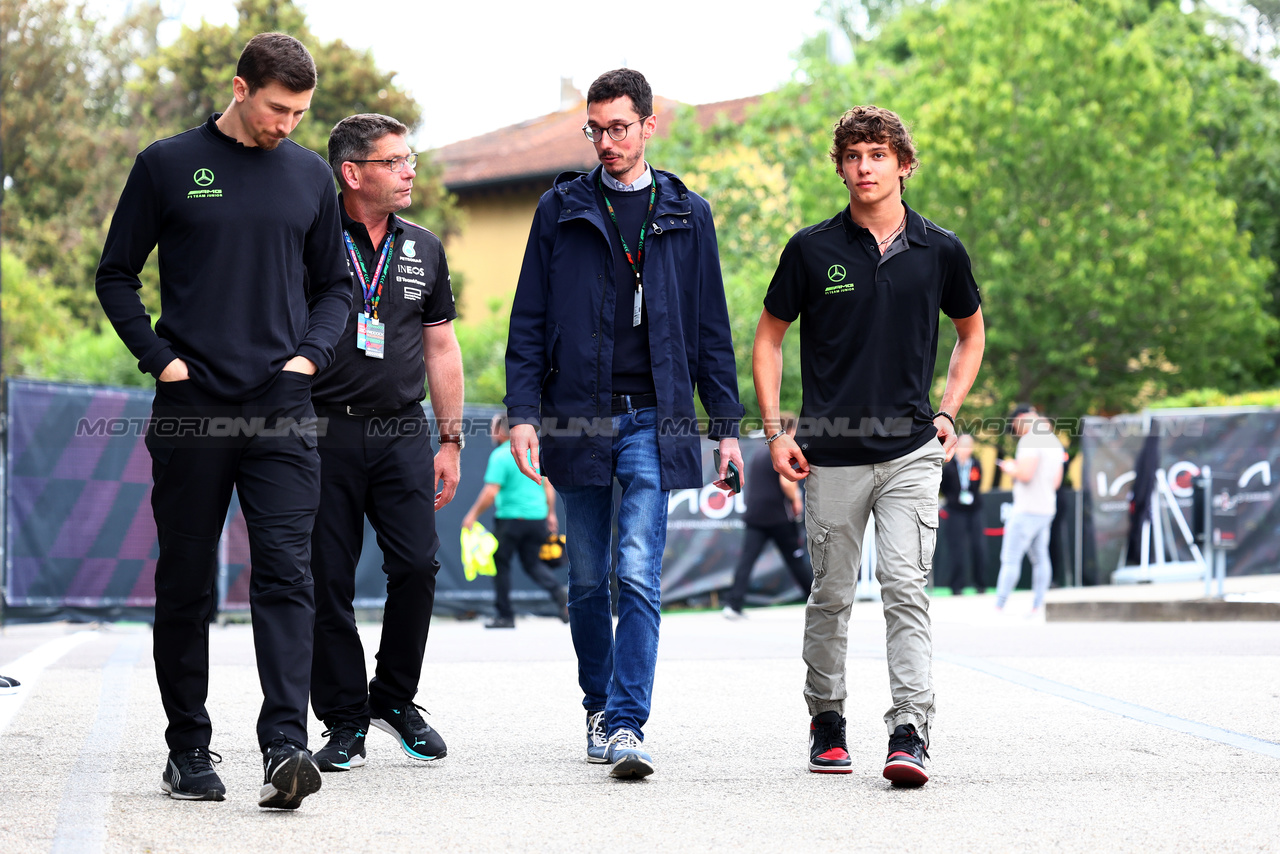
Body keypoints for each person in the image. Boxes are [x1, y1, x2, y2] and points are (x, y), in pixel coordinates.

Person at [95, 33, 351, 808]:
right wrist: (161, 361)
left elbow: (335, 287)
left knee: (285, 575)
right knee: (185, 584)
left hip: (282, 409)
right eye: (279, 109)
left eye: (302, 112)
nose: (289, 125)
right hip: (192, 405)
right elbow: (115, 275)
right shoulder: (167, 164)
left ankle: (284, 747)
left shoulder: (309, 175)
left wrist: (308, 359)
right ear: (241, 89)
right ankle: (188, 750)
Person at [505, 68, 744, 780]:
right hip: (577, 416)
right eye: (595, 128)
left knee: (637, 572)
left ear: (648, 125)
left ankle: (627, 721)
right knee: (585, 579)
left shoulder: (686, 212)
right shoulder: (560, 209)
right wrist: (523, 413)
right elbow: (529, 320)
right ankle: (597, 702)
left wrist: (724, 424)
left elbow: (710, 328)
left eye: (618, 127)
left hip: (656, 418)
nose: (606, 142)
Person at [753, 106, 985, 787]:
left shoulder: (940, 250)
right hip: (828, 455)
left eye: (877, 155)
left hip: (913, 451)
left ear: (903, 164)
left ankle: (910, 731)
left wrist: (948, 411)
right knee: (830, 594)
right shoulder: (810, 249)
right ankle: (827, 720)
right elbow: (769, 338)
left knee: (906, 590)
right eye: (852, 156)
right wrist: (774, 432)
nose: (864, 167)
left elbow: (972, 333)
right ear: (840, 167)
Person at [307, 114, 463, 774]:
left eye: (411, 158)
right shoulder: (307, 242)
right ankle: (344, 721)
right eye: (395, 161)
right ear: (353, 172)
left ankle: (394, 700)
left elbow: (441, 345)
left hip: (403, 429)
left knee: (418, 567)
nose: (410, 170)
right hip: (319, 430)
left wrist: (450, 440)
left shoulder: (423, 248)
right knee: (326, 582)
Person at [461, 414, 569, 629]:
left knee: (500, 564)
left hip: (511, 519)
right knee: (532, 564)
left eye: (493, 428)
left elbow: (491, 491)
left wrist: (472, 515)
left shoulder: (501, 455)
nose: (491, 432)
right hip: (537, 518)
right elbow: (548, 486)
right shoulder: (534, 452)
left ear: (502, 431)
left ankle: (505, 616)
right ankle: (561, 597)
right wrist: (551, 514)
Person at [723, 412, 812, 619]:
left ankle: (733, 605)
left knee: (747, 560)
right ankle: (814, 600)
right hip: (778, 516)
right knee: (795, 559)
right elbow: (786, 482)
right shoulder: (783, 452)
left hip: (755, 515)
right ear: (787, 430)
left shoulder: (761, 452)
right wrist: (797, 500)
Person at [995, 405, 1064, 617]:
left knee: (1011, 557)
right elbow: (1056, 482)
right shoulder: (1054, 441)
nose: (1016, 431)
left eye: (1015, 425)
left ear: (1022, 419)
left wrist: (1010, 468)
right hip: (1046, 508)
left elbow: (1025, 474)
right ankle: (1037, 605)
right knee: (1041, 558)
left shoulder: (1030, 440)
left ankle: (999, 606)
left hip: (1026, 509)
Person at [938, 434, 987, 595]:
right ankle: (957, 585)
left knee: (978, 546)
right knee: (956, 548)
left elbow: (978, 484)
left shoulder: (976, 464)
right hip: (955, 511)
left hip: (974, 510)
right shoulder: (950, 467)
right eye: (963, 445)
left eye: (969, 445)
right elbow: (944, 487)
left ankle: (980, 584)